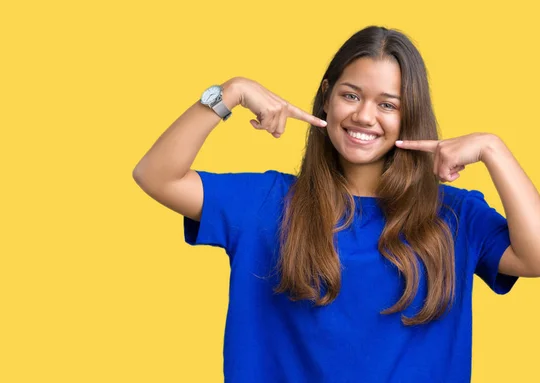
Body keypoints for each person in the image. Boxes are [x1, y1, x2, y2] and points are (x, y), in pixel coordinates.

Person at [133, 25, 540, 382]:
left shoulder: (454, 215)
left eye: (387, 104)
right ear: (326, 97)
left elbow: (534, 257)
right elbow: (156, 175)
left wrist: (494, 150)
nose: (365, 116)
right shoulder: (267, 204)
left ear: (409, 114)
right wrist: (230, 92)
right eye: (351, 95)